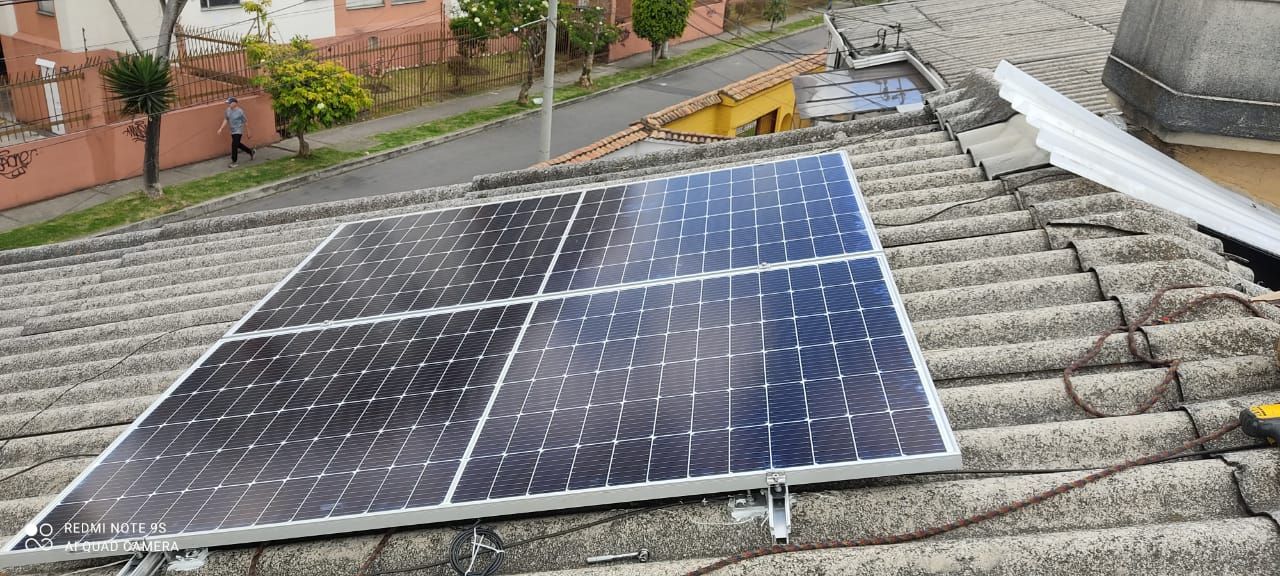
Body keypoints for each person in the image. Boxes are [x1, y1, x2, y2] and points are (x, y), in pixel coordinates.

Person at [217, 97, 255, 167]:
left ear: (234, 103)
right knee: (237, 144)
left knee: (234, 145)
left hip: (238, 130)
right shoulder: (227, 110)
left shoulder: (240, 111)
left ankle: (234, 162)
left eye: (230, 103)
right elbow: (226, 119)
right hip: (232, 130)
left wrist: (249, 132)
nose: (228, 104)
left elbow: (245, 122)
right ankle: (251, 151)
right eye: (228, 103)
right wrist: (221, 128)